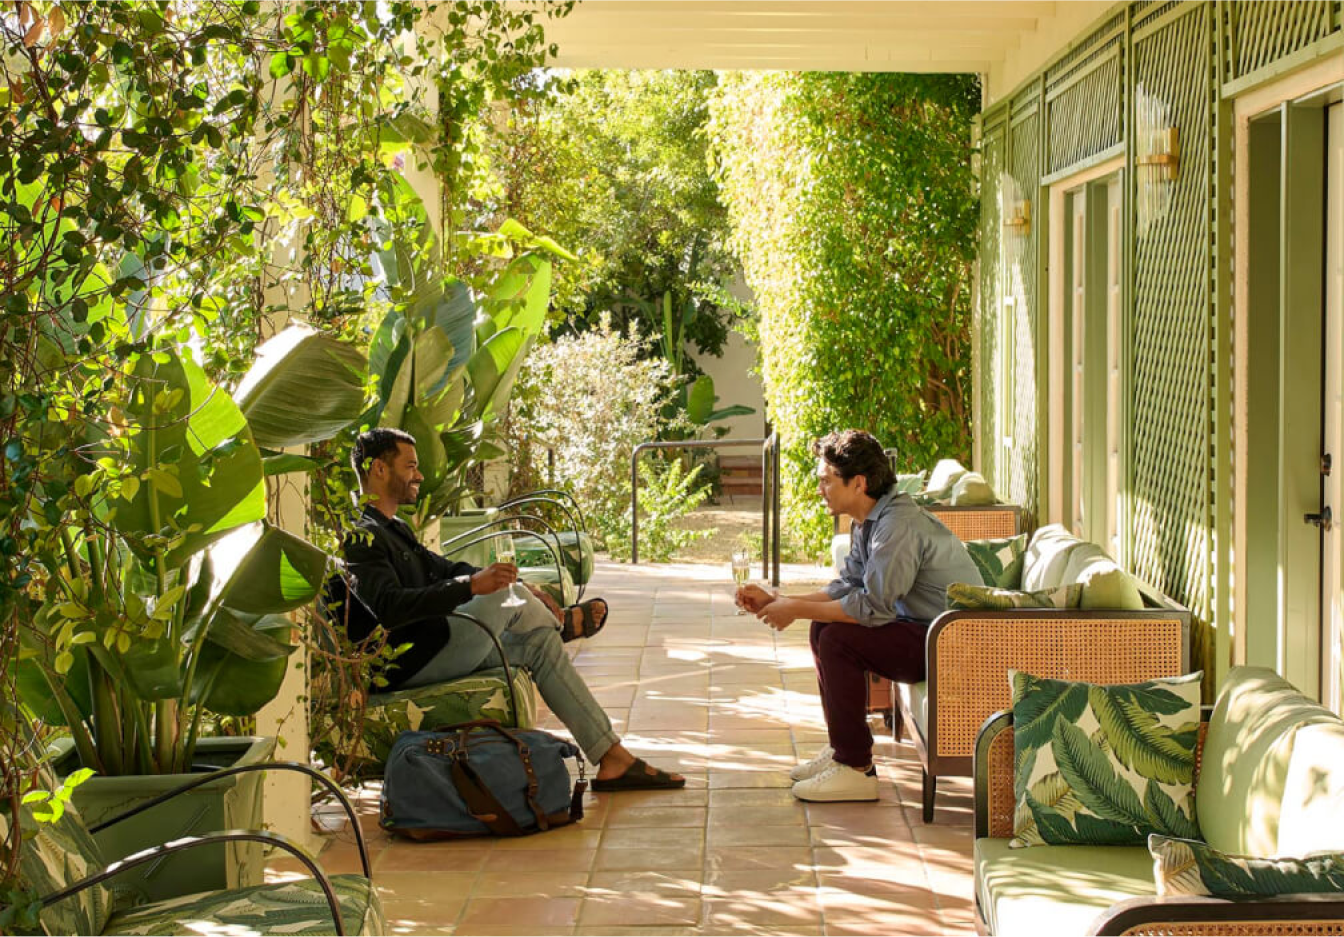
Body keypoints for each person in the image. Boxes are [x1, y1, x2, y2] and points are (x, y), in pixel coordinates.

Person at [343, 427, 684, 792]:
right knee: (505, 598)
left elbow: (443, 569)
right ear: (379, 469)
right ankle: (563, 622)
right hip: (408, 660)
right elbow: (389, 607)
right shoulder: (360, 536)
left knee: (540, 643)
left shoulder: (394, 528)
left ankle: (612, 757)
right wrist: (475, 587)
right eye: (410, 466)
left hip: (434, 644)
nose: (419, 475)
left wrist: (489, 578)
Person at [736, 430, 982, 803]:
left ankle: (856, 768)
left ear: (859, 483)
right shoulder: (869, 521)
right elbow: (848, 585)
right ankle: (843, 750)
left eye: (826, 480)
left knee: (837, 639)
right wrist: (780, 600)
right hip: (922, 630)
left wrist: (795, 609)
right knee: (824, 627)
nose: (820, 489)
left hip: (950, 644)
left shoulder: (897, 526)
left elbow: (873, 606)